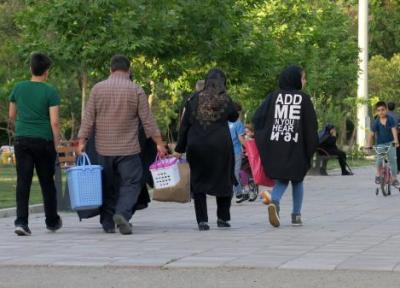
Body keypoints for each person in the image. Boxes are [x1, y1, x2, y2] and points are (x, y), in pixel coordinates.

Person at [77, 54, 167, 235]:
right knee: (132, 182)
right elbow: (147, 121)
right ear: (129, 70)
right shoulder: (136, 90)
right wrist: (159, 143)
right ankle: (122, 213)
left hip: (103, 148)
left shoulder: (97, 89)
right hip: (128, 149)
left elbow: (88, 119)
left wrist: (81, 141)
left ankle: (107, 223)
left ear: (111, 69)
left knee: (107, 184)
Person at [253, 65, 318, 227]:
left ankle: (274, 201)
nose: (305, 81)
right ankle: (296, 215)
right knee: (297, 179)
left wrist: (264, 138)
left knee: (282, 178)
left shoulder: (273, 97)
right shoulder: (303, 99)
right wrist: (311, 148)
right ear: (295, 79)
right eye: (303, 78)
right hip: (297, 148)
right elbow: (311, 126)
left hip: (276, 147)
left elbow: (258, 118)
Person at [175, 68, 239, 231]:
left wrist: (179, 148)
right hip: (220, 146)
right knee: (224, 179)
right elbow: (233, 116)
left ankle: (202, 220)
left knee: (198, 181)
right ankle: (222, 218)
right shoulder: (225, 99)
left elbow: (185, 126)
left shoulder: (193, 99)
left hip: (197, 146)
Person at [8, 53, 62, 236]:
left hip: (22, 140)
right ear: (47, 72)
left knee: (23, 181)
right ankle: (52, 221)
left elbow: (12, 116)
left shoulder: (18, 88)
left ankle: (21, 222)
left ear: (30, 68)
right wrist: (57, 144)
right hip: (44, 141)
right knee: (47, 182)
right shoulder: (50, 91)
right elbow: (54, 122)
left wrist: (23, 128)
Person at [367, 101, 399, 186]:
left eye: (383, 110)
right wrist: (369, 145)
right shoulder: (376, 122)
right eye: (379, 110)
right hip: (380, 144)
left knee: (393, 161)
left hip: (390, 143)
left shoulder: (390, 119)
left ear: (386, 110)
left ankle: (394, 178)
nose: (381, 112)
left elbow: (393, 130)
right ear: (377, 112)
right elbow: (371, 134)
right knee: (379, 160)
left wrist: (396, 140)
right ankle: (378, 174)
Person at [228, 102, 247, 203]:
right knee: (234, 173)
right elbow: (241, 139)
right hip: (235, 152)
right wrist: (249, 148)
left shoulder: (224, 122)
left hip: (227, 152)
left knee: (230, 173)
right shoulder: (238, 123)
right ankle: (239, 193)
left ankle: (237, 193)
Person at [387, 102, 400, 172]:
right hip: (396, 136)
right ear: (394, 108)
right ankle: (397, 168)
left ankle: (386, 167)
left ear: (387, 107)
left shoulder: (384, 115)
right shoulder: (398, 116)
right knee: (397, 152)